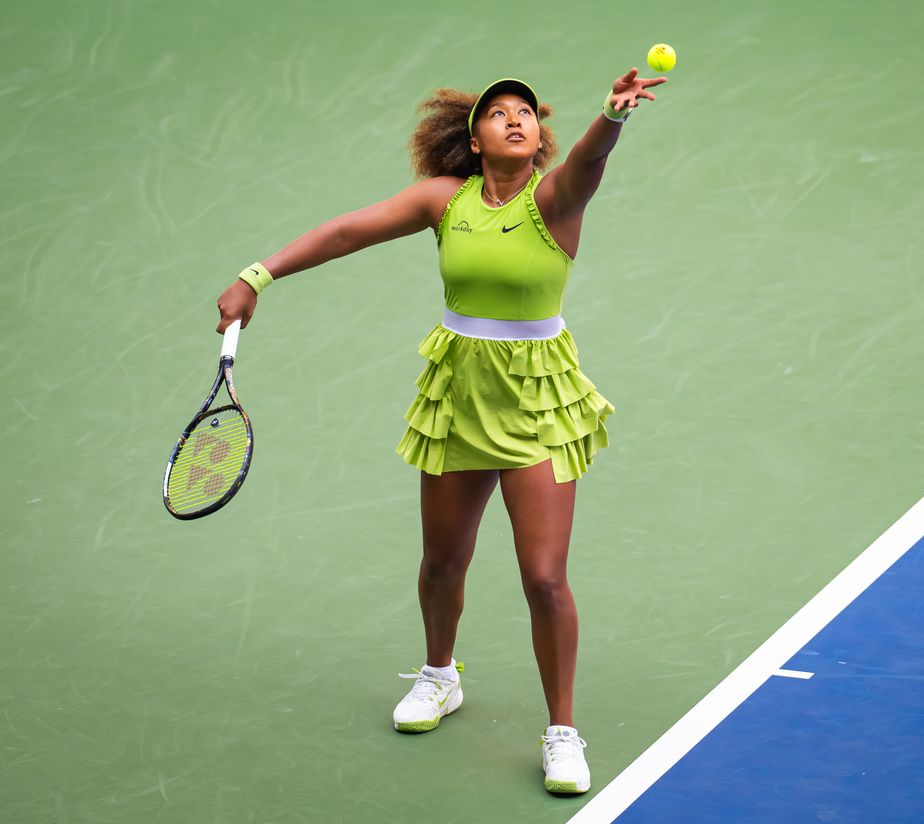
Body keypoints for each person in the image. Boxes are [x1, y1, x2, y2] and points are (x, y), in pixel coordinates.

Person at [215, 68, 666, 795]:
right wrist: (256, 276)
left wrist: (611, 119)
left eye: (526, 112)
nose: (516, 119)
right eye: (499, 113)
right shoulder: (443, 202)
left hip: (536, 404)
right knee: (441, 564)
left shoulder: (554, 200)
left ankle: (562, 731)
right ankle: (439, 675)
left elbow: (588, 163)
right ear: (474, 136)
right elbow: (344, 232)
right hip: (458, 393)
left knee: (545, 579)